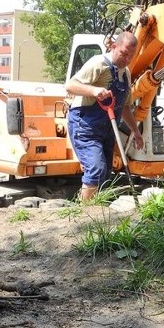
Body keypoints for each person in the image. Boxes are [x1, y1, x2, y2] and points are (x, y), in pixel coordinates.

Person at [64, 31, 144, 201]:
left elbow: (125, 107)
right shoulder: (98, 63)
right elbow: (70, 85)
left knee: (105, 172)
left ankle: (97, 213)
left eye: (131, 55)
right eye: (124, 53)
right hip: (85, 124)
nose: (127, 58)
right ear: (114, 46)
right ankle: (85, 214)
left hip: (107, 129)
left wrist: (135, 132)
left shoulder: (126, 73)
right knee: (96, 169)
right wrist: (94, 90)